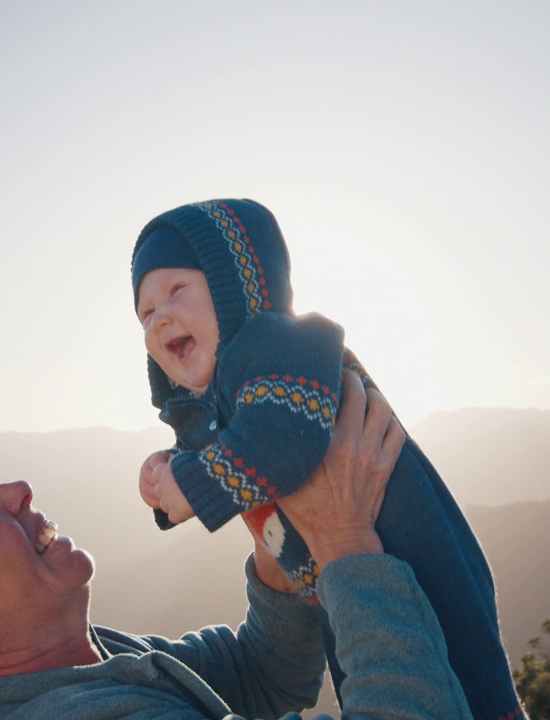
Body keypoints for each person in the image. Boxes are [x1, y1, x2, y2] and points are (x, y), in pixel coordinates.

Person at [0, 372, 475, 719]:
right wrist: (347, 543)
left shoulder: (74, 668)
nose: (19, 490)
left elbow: (254, 681)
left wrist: (274, 544)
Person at [132, 199, 523, 720]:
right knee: (364, 673)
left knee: (471, 680)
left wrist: (192, 484)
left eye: (176, 290)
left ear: (237, 285)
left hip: (416, 562)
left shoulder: (284, 346)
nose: (159, 318)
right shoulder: (231, 396)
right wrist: (167, 471)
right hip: (352, 584)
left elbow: (283, 444)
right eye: (145, 313)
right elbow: (226, 447)